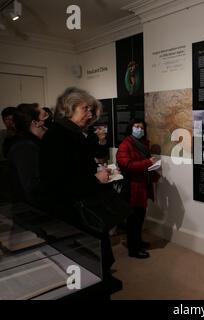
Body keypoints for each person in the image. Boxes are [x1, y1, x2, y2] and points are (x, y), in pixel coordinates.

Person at [39, 87, 115, 275]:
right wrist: (95, 179)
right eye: (85, 109)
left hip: (82, 208)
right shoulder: (57, 137)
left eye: (91, 110)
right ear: (69, 109)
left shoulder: (71, 134)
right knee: (87, 264)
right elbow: (57, 181)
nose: (89, 115)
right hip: (73, 213)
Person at [116, 119, 159, 259]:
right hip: (132, 186)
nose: (139, 129)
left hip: (141, 185)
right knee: (133, 220)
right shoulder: (125, 145)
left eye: (142, 127)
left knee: (140, 218)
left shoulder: (142, 144)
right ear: (130, 128)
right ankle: (133, 249)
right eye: (136, 126)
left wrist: (153, 170)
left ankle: (138, 242)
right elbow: (127, 165)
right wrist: (147, 163)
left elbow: (142, 164)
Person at [7, 103, 48, 205]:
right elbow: (33, 187)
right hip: (35, 211)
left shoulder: (33, 143)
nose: (48, 120)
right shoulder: (24, 148)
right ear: (35, 123)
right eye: (45, 117)